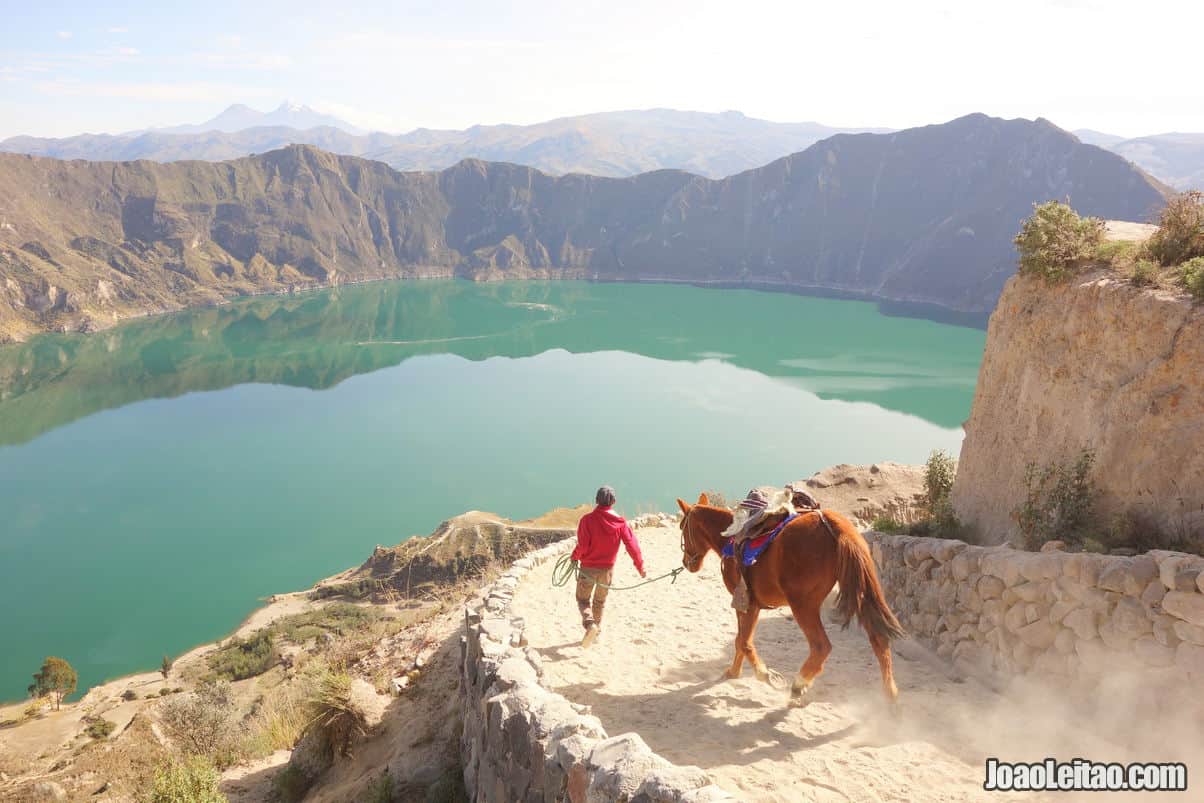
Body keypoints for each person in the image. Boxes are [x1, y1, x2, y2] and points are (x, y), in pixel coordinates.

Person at [570, 486, 645, 648]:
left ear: (596, 500)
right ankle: (596, 631)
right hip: (607, 571)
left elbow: (582, 546)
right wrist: (640, 566)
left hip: (588, 569)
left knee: (582, 600)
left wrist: (574, 557)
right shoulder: (620, 523)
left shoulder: (587, 520)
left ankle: (590, 625)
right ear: (614, 502)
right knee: (599, 601)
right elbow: (632, 545)